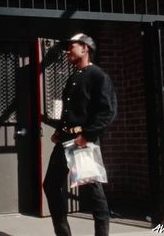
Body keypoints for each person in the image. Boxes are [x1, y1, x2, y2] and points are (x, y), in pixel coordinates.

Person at [43, 33, 117, 236]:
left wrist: (88, 136)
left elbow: (107, 111)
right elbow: (70, 110)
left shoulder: (98, 76)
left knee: (93, 193)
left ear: (85, 48)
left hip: (83, 142)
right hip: (65, 141)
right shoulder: (74, 77)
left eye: (72, 47)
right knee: (50, 185)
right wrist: (59, 131)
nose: (68, 51)